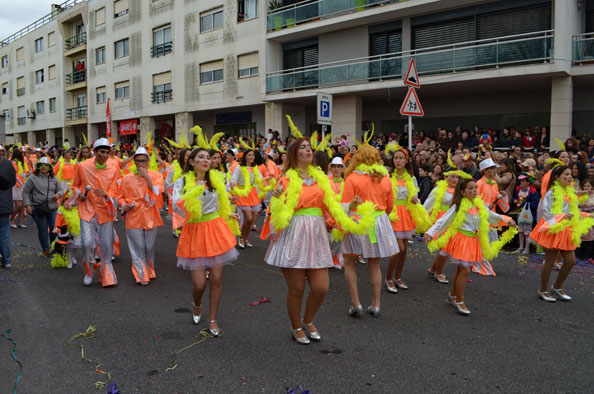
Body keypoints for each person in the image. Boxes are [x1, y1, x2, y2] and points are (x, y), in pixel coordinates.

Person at [266, 137, 376, 343]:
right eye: (302, 148)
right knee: (297, 289)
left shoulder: (321, 179)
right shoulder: (285, 179)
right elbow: (275, 214)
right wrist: (277, 198)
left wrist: (349, 207)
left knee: (321, 287)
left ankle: (308, 320)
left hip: (316, 235)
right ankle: (296, 326)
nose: (308, 150)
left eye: (309, 147)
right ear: (294, 154)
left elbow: (330, 208)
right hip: (294, 235)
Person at [423, 178, 517, 315]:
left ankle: (453, 295)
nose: (473, 191)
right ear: (462, 192)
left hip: (473, 241)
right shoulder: (458, 206)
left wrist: (506, 220)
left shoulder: (479, 205)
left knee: (461, 270)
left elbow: (490, 215)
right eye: (470, 189)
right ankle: (459, 301)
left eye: (475, 188)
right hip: (461, 240)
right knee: (465, 270)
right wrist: (430, 233)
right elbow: (443, 221)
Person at [173, 148, 240, 336]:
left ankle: (212, 320)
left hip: (215, 228)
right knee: (199, 284)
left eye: (208, 157)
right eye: (200, 157)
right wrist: (194, 192)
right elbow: (177, 208)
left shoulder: (216, 180)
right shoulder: (183, 181)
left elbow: (221, 203)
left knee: (217, 279)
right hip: (194, 231)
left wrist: (228, 213)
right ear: (192, 162)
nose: (206, 160)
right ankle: (197, 303)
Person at [340, 144, 399, 316]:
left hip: (356, 221)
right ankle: (376, 304)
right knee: (374, 265)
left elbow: (346, 205)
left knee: (349, 261)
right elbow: (390, 206)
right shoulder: (385, 178)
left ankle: (356, 302)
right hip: (378, 221)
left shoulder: (352, 178)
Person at [530, 166, 594, 302]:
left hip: (566, 230)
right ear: (557, 177)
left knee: (570, 261)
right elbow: (547, 213)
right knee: (550, 261)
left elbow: (572, 209)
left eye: (570, 174)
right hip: (553, 228)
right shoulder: (552, 193)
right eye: (566, 174)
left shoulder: (569, 191)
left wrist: (582, 213)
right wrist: (562, 217)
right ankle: (543, 290)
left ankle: (557, 287)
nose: (569, 177)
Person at [72, 138, 121, 287]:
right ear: (95, 152)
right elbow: (75, 185)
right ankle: (89, 270)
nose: (104, 155)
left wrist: (106, 194)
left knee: (106, 246)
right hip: (87, 209)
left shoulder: (114, 169)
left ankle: (107, 275)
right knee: (87, 243)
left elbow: (117, 189)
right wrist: (79, 194)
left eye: (107, 152)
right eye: (101, 152)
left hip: (105, 210)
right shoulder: (83, 166)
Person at [385, 142, 430, 291]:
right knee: (398, 249)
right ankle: (388, 278)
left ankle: (398, 277)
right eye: (395, 158)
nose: (397, 160)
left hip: (406, 213)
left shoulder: (411, 178)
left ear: (406, 161)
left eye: (400, 158)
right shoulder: (388, 177)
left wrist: (414, 199)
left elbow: (414, 195)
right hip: (394, 214)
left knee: (404, 250)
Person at [118, 147, 164, 285]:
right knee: (137, 247)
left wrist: (147, 176)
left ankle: (149, 269)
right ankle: (141, 275)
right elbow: (120, 197)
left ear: (148, 161)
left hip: (150, 216)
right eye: (137, 161)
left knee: (148, 247)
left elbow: (157, 192)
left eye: (143, 161)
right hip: (133, 217)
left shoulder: (156, 175)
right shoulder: (126, 178)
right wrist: (124, 205)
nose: (140, 164)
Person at [424, 166, 469, 284]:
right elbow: (427, 205)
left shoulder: (460, 191)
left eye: (457, 177)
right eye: (452, 177)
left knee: (446, 248)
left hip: (453, 220)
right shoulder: (439, 189)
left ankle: (433, 269)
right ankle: (438, 272)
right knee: (445, 247)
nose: (455, 179)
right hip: (441, 220)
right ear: (445, 177)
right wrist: (423, 220)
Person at [22, 157, 64, 256]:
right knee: (43, 228)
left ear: (49, 167)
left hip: (52, 207)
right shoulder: (32, 177)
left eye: (46, 165)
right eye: (42, 165)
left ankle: (54, 247)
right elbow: (25, 192)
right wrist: (27, 205)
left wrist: (58, 195)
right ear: (39, 166)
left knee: (53, 228)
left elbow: (61, 190)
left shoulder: (54, 177)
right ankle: (45, 249)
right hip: (38, 207)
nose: (44, 167)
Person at [230, 147, 263, 249]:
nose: (251, 157)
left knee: (251, 219)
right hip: (243, 193)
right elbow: (233, 179)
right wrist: (233, 184)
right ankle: (240, 237)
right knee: (248, 218)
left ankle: (245, 239)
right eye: (249, 155)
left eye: (253, 155)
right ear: (245, 157)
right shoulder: (240, 168)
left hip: (252, 193)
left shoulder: (255, 168)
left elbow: (260, 180)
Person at [513, 173, 539, 254]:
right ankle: (521, 246)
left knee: (527, 231)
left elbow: (535, 203)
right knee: (520, 230)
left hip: (528, 214)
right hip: (519, 213)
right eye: (521, 181)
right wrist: (515, 200)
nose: (522, 182)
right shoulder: (518, 189)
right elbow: (515, 197)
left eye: (524, 181)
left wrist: (524, 204)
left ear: (528, 182)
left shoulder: (532, 191)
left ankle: (527, 247)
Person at [0, 150, 16, 268]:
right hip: (5, 203)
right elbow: (12, 182)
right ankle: (7, 260)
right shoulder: (8, 164)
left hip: (4, 202)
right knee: (4, 233)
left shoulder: (8, 164)